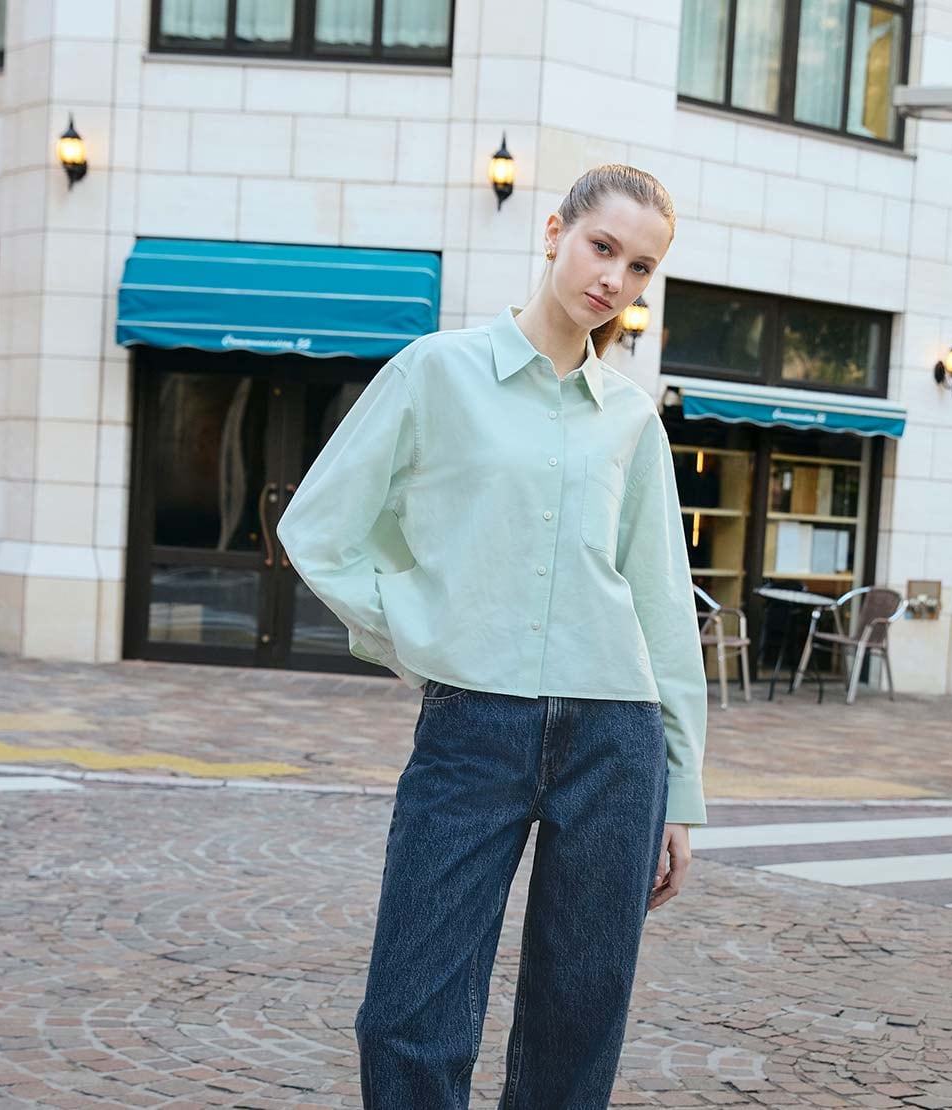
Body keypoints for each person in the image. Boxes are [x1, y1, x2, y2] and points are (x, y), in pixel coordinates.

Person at [276, 163, 708, 1109]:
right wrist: (415, 632)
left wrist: (681, 789)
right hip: (472, 727)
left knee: (578, 1017)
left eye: (639, 267)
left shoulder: (631, 420)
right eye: (602, 247)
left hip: (616, 738)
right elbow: (318, 528)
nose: (614, 279)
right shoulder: (436, 372)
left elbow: (661, 606)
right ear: (555, 233)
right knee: (408, 1013)